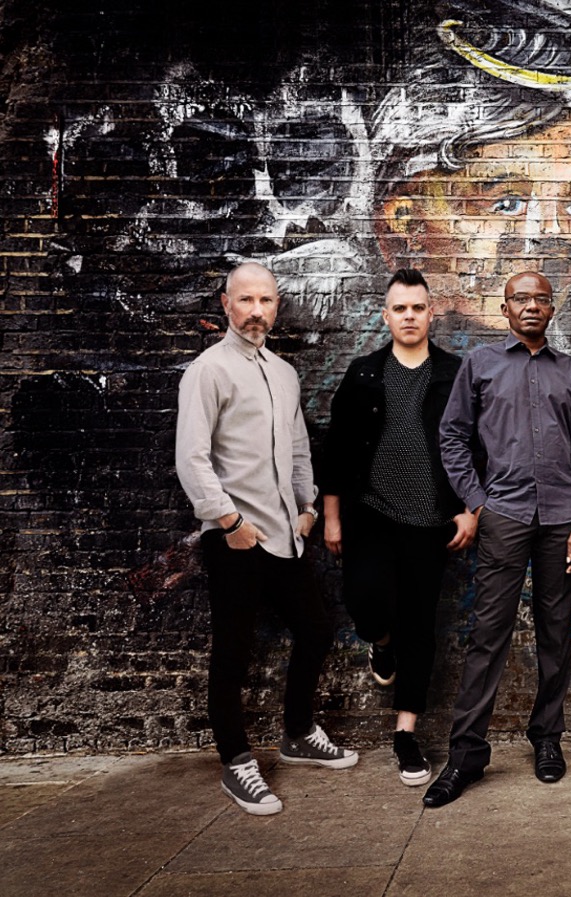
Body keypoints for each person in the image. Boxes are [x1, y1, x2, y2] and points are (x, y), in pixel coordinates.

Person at [175, 262, 358, 817]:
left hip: (284, 535)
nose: (257, 311)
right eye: (247, 300)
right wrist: (228, 523)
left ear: (278, 307)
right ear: (226, 304)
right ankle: (235, 762)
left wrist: (307, 506)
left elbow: (299, 449)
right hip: (234, 538)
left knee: (316, 629)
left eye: (267, 301)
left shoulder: (282, 372)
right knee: (234, 652)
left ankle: (298, 733)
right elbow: (191, 458)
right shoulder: (208, 371)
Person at [424, 271, 571, 807]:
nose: (531, 306)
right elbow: (453, 435)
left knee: (555, 634)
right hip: (502, 516)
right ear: (504, 309)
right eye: (520, 299)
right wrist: (476, 500)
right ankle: (466, 757)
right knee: (488, 637)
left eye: (541, 299)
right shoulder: (480, 364)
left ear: (552, 309)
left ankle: (547, 740)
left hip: (560, 522)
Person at [318, 269, 477, 787]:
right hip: (370, 514)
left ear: (431, 314)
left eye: (417, 308)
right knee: (365, 602)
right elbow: (337, 451)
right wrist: (333, 518)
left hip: (430, 524)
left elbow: (476, 447)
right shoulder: (363, 373)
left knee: (421, 624)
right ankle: (379, 641)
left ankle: (405, 733)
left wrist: (470, 509)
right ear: (385, 316)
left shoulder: (455, 373)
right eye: (400, 309)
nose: (409, 317)